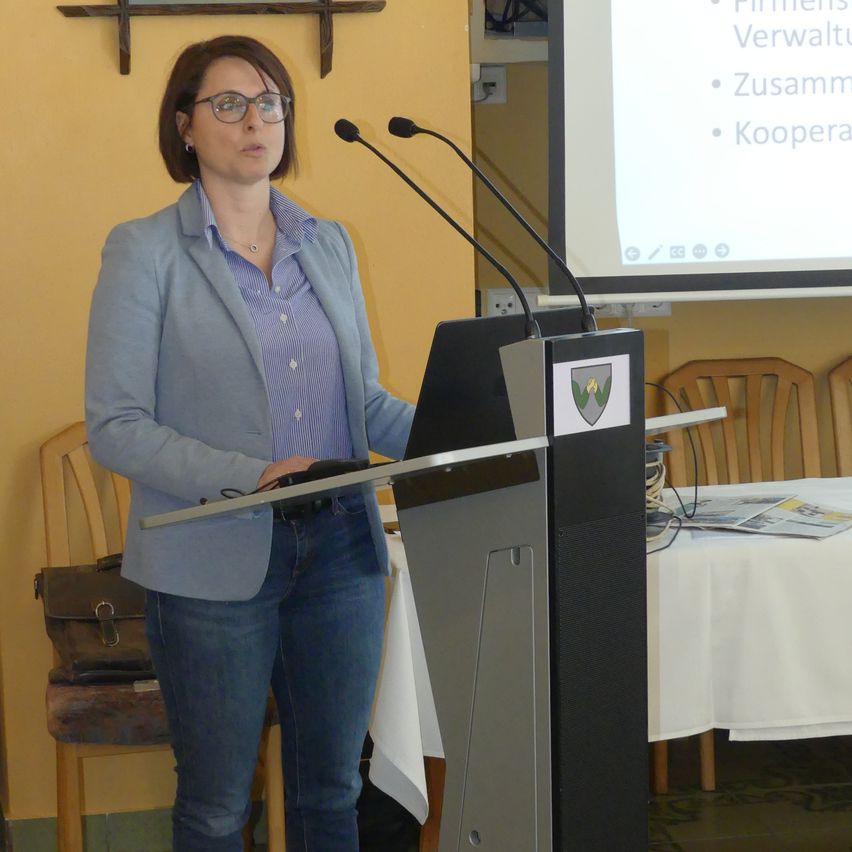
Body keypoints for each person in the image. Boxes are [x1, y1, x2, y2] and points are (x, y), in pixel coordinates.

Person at [85, 35, 414, 852]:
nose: (254, 121)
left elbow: (364, 405)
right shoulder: (144, 251)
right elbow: (116, 426)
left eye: (269, 103)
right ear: (185, 125)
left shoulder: (328, 243)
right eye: (228, 104)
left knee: (332, 792)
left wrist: (476, 429)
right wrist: (253, 476)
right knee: (216, 807)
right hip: (211, 560)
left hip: (340, 553)